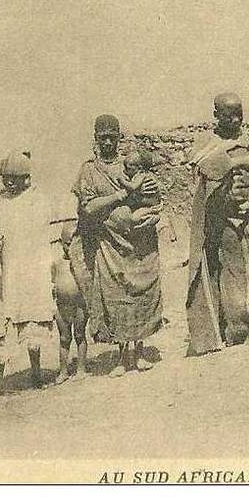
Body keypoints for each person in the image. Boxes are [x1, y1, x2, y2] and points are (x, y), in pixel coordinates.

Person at [185, 93, 249, 355]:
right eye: (229, 114)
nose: (236, 119)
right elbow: (203, 166)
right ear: (216, 115)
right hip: (224, 215)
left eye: (239, 113)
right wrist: (240, 161)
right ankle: (236, 329)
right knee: (234, 272)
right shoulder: (207, 141)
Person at [71, 114, 163, 377]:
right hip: (110, 244)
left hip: (141, 241)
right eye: (103, 138)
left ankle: (140, 351)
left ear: (120, 137)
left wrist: (155, 213)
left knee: (142, 293)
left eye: (113, 137)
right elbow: (88, 207)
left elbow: (153, 197)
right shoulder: (89, 170)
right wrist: (120, 195)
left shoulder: (131, 166)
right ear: (96, 139)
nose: (108, 142)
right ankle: (123, 356)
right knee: (118, 295)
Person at [0, 150, 55, 396]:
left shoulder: (37, 202)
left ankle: (36, 374)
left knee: (32, 323)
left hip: (30, 272)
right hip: (4, 272)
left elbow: (44, 235)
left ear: (26, 178)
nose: (9, 182)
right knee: (0, 324)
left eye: (15, 177)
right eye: (5, 177)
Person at [52, 221, 87, 384]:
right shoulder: (57, 263)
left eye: (74, 243)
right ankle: (63, 371)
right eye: (67, 243)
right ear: (61, 243)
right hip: (62, 305)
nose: (70, 247)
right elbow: (52, 282)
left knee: (79, 335)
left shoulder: (82, 263)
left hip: (79, 304)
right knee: (64, 338)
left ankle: (81, 368)